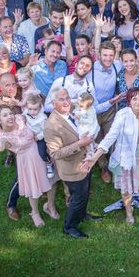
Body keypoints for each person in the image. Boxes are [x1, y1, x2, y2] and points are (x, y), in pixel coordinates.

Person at [92, 88, 139, 225]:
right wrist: (95, 156)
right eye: (134, 99)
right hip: (126, 155)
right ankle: (129, 212)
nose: (138, 102)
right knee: (126, 188)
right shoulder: (122, 114)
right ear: (129, 102)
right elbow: (110, 137)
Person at [44, 88, 101, 239]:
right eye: (61, 99)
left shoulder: (72, 112)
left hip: (84, 162)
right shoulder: (51, 125)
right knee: (78, 198)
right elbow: (56, 153)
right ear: (53, 103)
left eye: (67, 98)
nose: (66, 102)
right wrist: (80, 143)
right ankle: (69, 226)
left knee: (85, 193)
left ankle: (82, 214)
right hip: (72, 169)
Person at [0, 106, 59, 227]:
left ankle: (50, 206)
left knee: (52, 182)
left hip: (41, 151)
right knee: (33, 188)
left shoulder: (19, 118)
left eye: (10, 113)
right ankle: (35, 212)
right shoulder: (4, 137)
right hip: (27, 161)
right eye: (5, 115)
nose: (10, 116)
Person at [23, 93, 54, 179]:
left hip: (39, 138)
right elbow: (23, 117)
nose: (32, 112)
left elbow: (45, 130)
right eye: (30, 109)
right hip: (29, 136)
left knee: (42, 153)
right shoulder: (26, 112)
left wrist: (38, 137)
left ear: (40, 107)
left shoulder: (43, 118)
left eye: (35, 109)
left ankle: (49, 163)